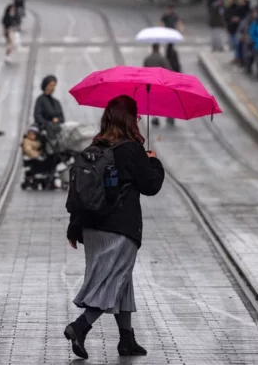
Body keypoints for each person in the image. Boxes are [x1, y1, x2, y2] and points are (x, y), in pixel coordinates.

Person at [64, 95, 164, 360]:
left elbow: (80, 191)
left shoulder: (96, 146)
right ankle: (80, 327)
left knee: (122, 280)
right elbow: (150, 186)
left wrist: (74, 227)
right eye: (137, 116)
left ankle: (126, 340)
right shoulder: (130, 149)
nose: (140, 119)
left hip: (92, 228)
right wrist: (153, 161)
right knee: (111, 281)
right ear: (129, 119)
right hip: (120, 229)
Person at [143, 44, 171, 126]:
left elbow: (144, 71)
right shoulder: (162, 59)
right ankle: (166, 116)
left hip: (151, 84)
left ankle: (155, 118)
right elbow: (168, 69)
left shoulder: (147, 59)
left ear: (152, 48)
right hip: (160, 83)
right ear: (158, 48)